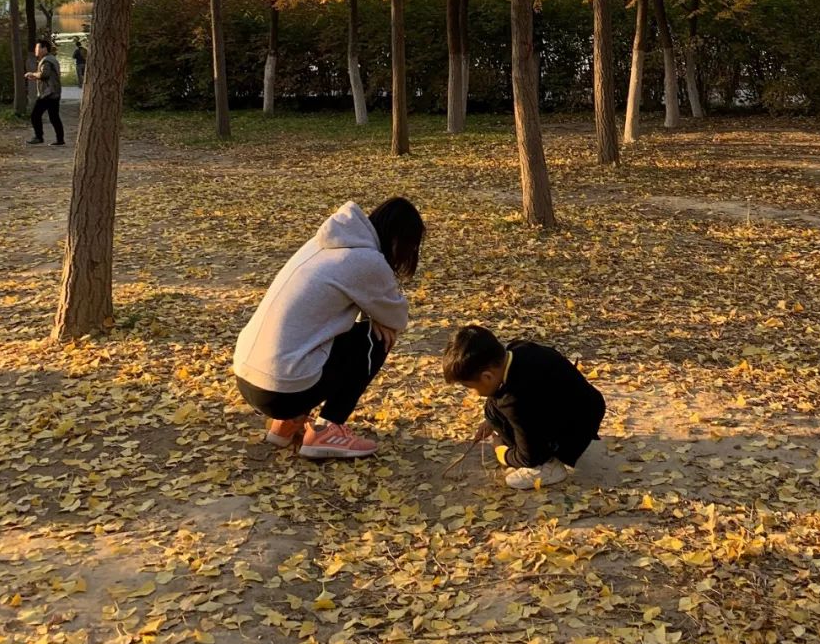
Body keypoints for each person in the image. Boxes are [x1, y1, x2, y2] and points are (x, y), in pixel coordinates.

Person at [234, 197, 425, 460]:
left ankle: (288, 422)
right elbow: (397, 318)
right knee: (375, 339)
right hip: (282, 389)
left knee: (341, 333)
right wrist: (378, 317)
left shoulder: (322, 242)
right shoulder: (367, 260)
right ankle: (327, 428)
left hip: (248, 376)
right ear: (399, 242)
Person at [443, 325, 605, 490]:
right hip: (576, 402)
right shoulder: (516, 350)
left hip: (579, 423)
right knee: (493, 410)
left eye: (469, 387)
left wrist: (503, 453)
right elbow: (500, 397)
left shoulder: (515, 400)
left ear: (487, 376)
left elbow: (528, 457)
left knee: (517, 475)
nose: (471, 393)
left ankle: (549, 466)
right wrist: (490, 422)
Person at [26, 38, 64, 147]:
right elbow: (47, 76)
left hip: (48, 93)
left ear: (44, 48)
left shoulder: (47, 60)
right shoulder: (51, 59)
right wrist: (36, 77)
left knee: (35, 115)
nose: (36, 50)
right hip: (54, 92)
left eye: (37, 47)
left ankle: (39, 137)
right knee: (54, 116)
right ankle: (60, 139)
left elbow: (44, 75)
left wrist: (33, 74)